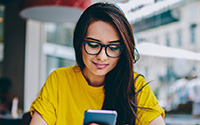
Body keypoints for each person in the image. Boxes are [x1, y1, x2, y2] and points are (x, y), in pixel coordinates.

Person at [30, 2, 165, 125]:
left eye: (113, 48)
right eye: (93, 45)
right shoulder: (59, 80)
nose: (102, 57)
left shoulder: (135, 86)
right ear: (79, 44)